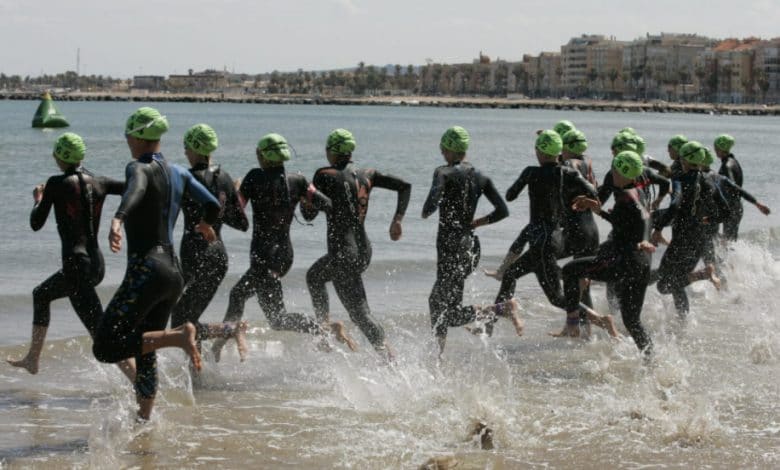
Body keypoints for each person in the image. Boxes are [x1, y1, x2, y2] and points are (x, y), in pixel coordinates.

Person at [92, 107, 222, 421]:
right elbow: (214, 204)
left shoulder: (137, 166)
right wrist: (207, 224)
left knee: (105, 347)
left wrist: (118, 219)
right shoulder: (179, 172)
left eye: (128, 134)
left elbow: (136, 188)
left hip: (146, 270)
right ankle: (143, 421)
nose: (126, 140)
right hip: (173, 274)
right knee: (146, 351)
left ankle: (178, 337)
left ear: (138, 136)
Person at [213, 133, 354, 361]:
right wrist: (302, 203)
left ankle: (219, 343)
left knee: (238, 294)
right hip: (285, 256)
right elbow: (326, 203)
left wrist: (234, 190)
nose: (257, 157)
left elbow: (235, 214)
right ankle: (326, 327)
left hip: (263, 256)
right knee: (277, 319)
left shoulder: (253, 178)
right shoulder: (297, 180)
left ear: (265, 156)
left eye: (258, 153)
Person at [7, 133, 135, 380]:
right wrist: (120, 218)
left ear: (62, 156)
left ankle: (140, 382)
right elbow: (133, 189)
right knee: (41, 294)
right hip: (97, 266)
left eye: (56, 153)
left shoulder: (56, 184)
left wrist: (39, 199)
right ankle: (33, 358)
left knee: (101, 336)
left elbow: (36, 223)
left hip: (76, 267)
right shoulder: (100, 182)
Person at [305, 129, 411, 361]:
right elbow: (405, 186)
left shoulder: (324, 174)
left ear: (331, 152)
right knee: (360, 314)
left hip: (343, 252)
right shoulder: (367, 174)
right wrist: (397, 221)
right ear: (351, 152)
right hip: (364, 250)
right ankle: (389, 357)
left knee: (315, 277)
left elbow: (309, 214)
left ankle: (323, 330)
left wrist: (307, 196)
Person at [422, 126, 518, 355]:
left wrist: (427, 210)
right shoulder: (481, 177)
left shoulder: (442, 172)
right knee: (449, 308)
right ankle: (443, 351)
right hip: (469, 246)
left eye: (443, 148)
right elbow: (503, 211)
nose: (441, 152)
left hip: (450, 246)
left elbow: (431, 204)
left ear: (448, 148)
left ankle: (497, 310)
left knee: (436, 302)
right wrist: (477, 223)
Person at [486, 130, 598, 316]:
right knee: (510, 275)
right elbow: (593, 191)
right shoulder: (567, 172)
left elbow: (510, 196)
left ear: (540, 152)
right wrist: (582, 199)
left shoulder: (531, 172)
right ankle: (491, 322)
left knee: (557, 299)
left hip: (542, 242)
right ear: (558, 153)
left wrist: (525, 180)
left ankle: (601, 320)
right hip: (554, 239)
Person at [554, 151, 654, 350]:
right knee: (632, 322)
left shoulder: (627, 194)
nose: (612, 172)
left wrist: (644, 239)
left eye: (615, 168)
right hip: (641, 263)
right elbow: (625, 220)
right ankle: (652, 360)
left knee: (570, 271)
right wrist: (596, 208)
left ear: (623, 172)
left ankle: (573, 324)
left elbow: (644, 216)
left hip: (623, 261)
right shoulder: (637, 189)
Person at [169, 124, 250, 359]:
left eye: (187, 147)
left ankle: (231, 329)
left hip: (197, 255)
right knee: (187, 320)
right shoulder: (223, 177)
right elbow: (242, 224)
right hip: (218, 256)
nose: (185, 152)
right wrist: (230, 196)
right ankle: (197, 379)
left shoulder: (187, 178)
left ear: (195, 148)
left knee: (180, 323)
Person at [651, 141, 731, 319]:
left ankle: (703, 274)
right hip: (700, 239)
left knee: (663, 284)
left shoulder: (680, 179)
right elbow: (726, 211)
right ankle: (683, 321)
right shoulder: (709, 180)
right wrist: (709, 219)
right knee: (676, 282)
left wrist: (658, 228)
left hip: (681, 240)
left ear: (685, 160)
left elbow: (674, 205)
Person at [559, 129, 599, 308]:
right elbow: (595, 190)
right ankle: (584, 328)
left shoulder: (569, 164)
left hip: (577, 229)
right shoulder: (587, 162)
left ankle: (580, 325)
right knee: (583, 282)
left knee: (544, 261)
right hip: (590, 228)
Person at [715, 134, 751, 241]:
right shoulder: (732, 161)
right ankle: (735, 257)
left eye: (716, 147)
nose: (715, 150)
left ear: (720, 147)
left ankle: (739, 257)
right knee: (728, 240)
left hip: (732, 207)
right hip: (734, 206)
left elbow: (732, 184)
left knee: (728, 241)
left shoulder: (728, 165)